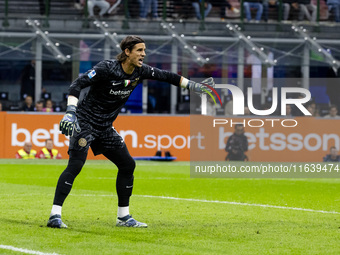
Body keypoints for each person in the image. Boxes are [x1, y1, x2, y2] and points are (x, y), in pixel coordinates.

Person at [46, 35, 214, 229]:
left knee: (127, 165)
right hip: (85, 123)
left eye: (144, 50)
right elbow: (77, 85)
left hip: (105, 127)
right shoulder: (106, 68)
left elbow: (169, 76)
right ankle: (55, 215)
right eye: (139, 50)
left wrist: (195, 86)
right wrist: (70, 113)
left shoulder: (140, 72)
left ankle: (123, 217)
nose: (144, 54)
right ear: (127, 52)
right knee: (76, 165)